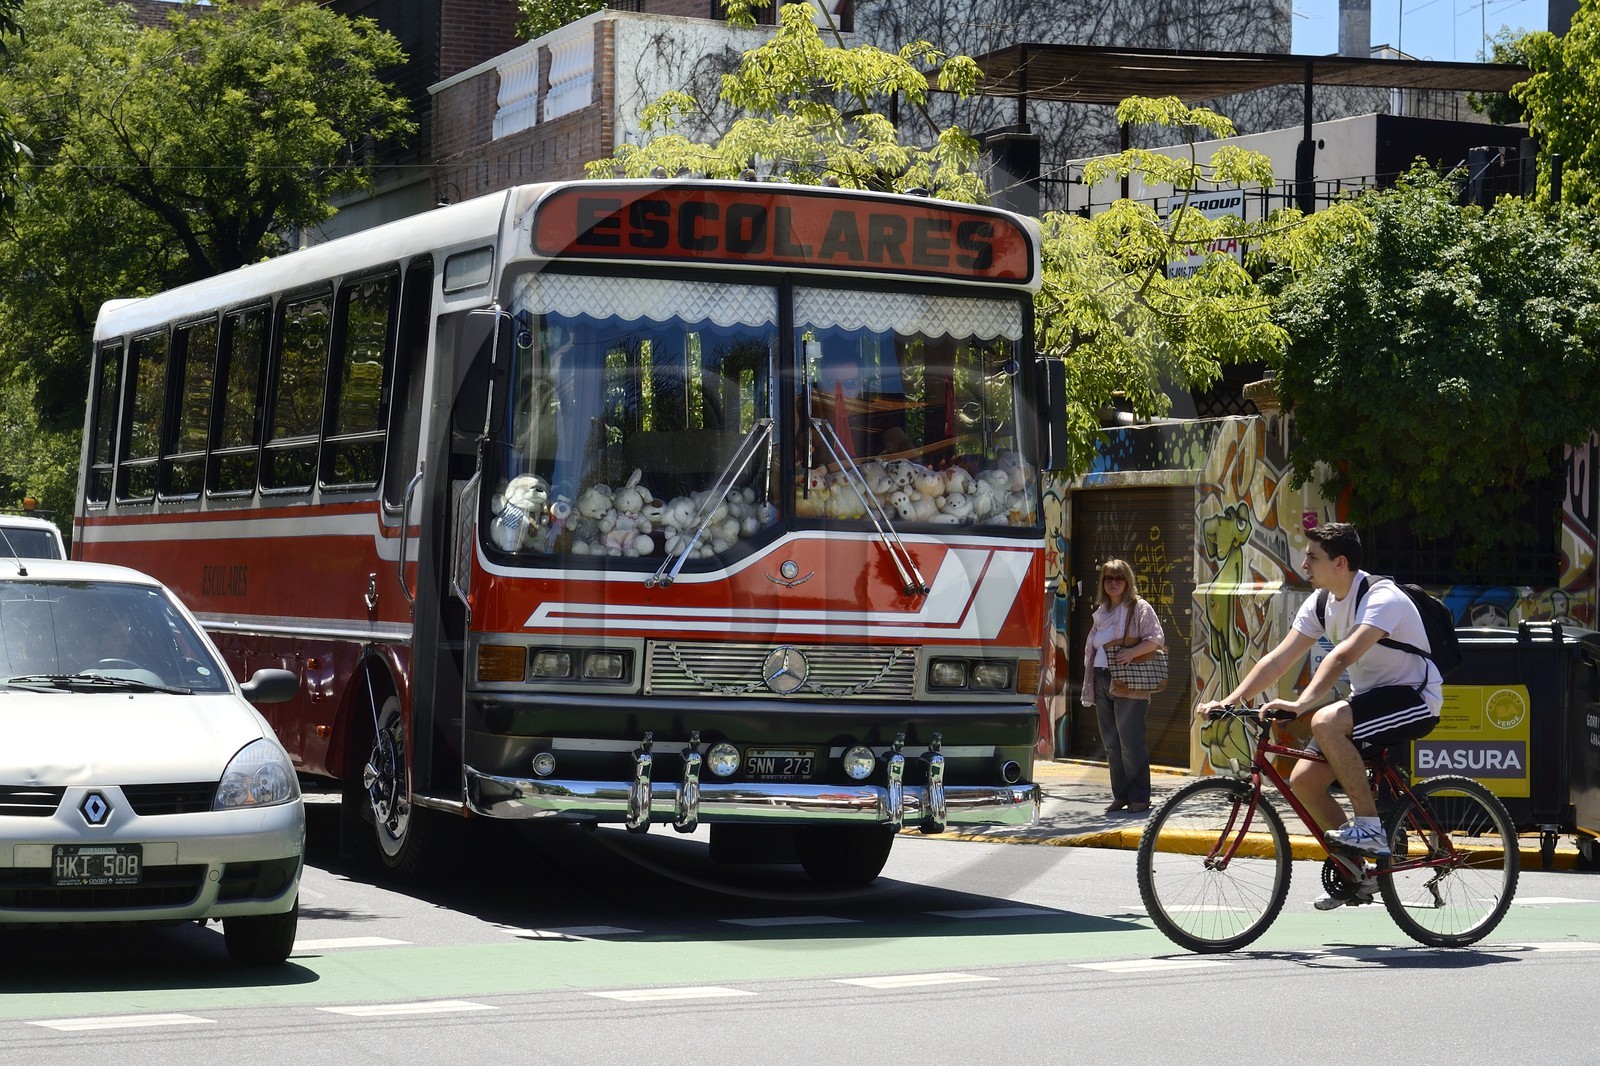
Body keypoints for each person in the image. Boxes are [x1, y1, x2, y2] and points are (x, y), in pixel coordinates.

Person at [1195, 522, 1442, 909]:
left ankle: (1370, 829)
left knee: (1324, 721)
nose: (1305, 564)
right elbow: (1279, 658)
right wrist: (1231, 699)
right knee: (1304, 781)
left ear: (1339, 562)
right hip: (1370, 700)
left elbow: (1342, 656)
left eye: (1313, 557)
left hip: (1413, 698)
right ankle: (1359, 875)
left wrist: (1301, 704)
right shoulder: (1323, 602)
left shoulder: (1382, 597)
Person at [1079, 558, 1165, 813]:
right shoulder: (1101, 612)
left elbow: (1156, 639)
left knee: (1130, 741)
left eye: (1118, 578)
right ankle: (1122, 794)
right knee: (1111, 742)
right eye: (1108, 578)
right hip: (1102, 678)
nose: (1113, 583)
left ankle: (1140, 796)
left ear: (1127, 582)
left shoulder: (1139, 608)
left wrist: (1132, 653)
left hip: (1130, 681)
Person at [812, 348, 912, 457]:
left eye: (850, 383)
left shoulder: (876, 417)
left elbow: (904, 449)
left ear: (861, 383)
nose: (841, 392)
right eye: (833, 384)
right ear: (822, 384)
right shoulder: (809, 415)